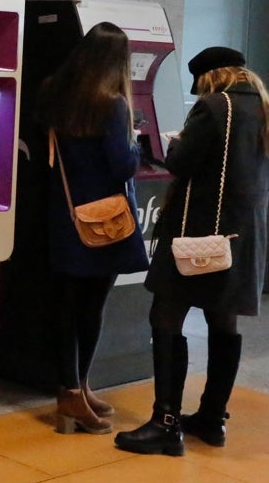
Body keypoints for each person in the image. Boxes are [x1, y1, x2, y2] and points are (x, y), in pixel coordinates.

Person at [115, 46, 269, 456]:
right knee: (224, 322)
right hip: (243, 235)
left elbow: (181, 161)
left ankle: (165, 423)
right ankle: (212, 419)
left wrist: (174, 142)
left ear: (210, 77)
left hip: (199, 233)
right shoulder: (262, 107)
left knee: (165, 316)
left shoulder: (215, 107)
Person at [36, 21, 150, 435]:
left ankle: (75, 389)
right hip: (104, 222)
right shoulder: (113, 104)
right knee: (91, 306)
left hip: (64, 214)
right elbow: (123, 165)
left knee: (66, 304)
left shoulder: (53, 92)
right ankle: (75, 389)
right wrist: (134, 138)